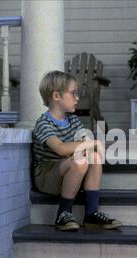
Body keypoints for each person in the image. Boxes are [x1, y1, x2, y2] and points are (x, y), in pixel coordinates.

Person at [32, 70, 122, 231]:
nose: (77, 98)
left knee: (92, 157)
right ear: (56, 96)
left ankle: (91, 214)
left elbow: (85, 145)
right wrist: (92, 142)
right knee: (80, 160)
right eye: (73, 93)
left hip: (71, 171)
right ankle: (63, 213)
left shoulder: (73, 121)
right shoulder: (44, 123)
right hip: (47, 176)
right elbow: (60, 149)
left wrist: (90, 146)